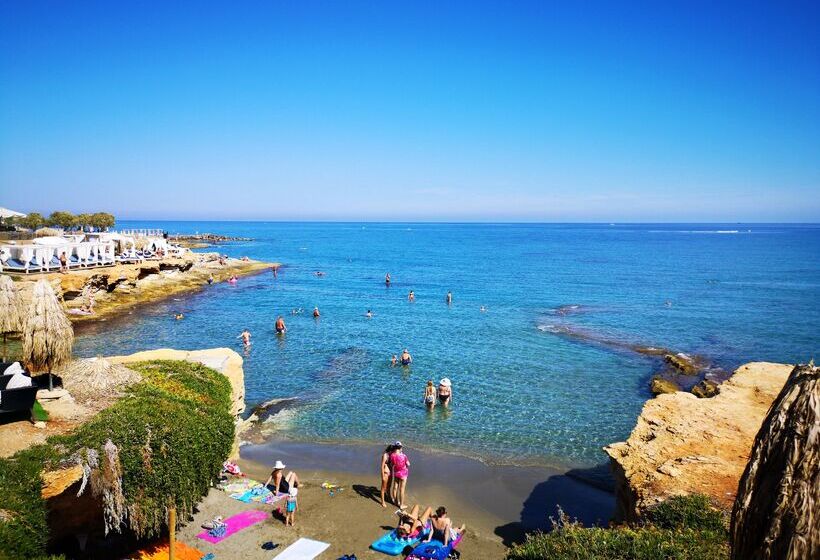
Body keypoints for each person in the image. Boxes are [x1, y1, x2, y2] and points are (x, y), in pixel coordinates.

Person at [389, 441, 410, 508]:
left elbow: (392, 464)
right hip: (403, 474)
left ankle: (395, 501)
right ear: (400, 448)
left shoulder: (392, 455)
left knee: (395, 487)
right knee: (402, 489)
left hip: (396, 473)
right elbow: (408, 464)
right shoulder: (403, 455)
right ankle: (401, 505)